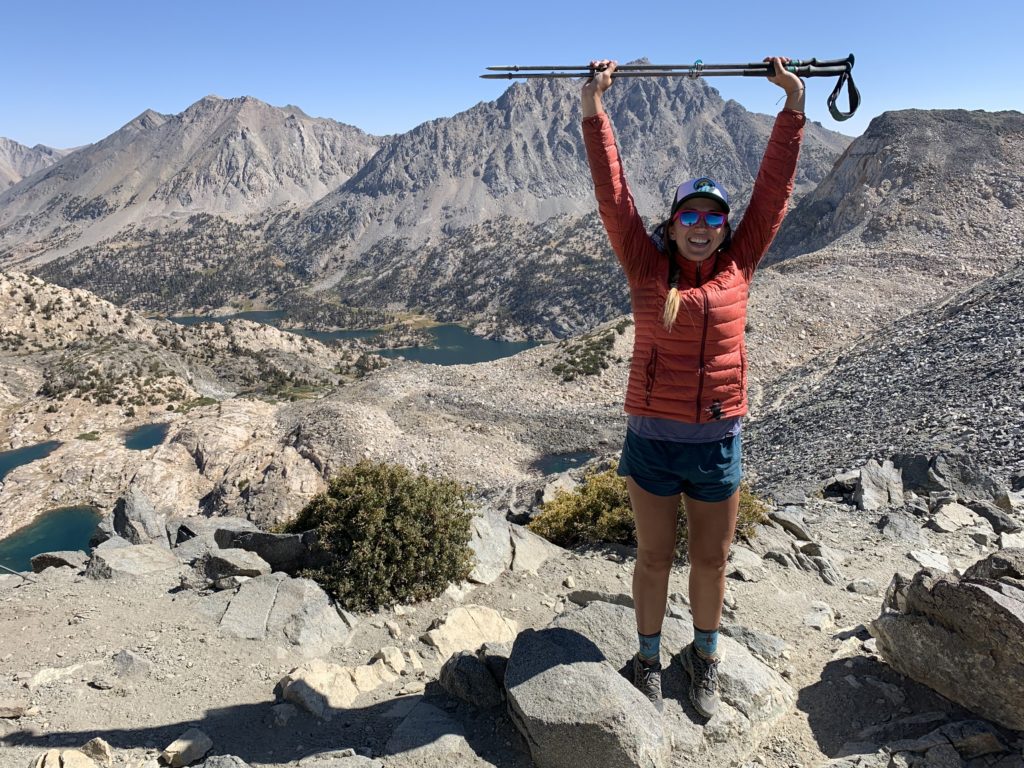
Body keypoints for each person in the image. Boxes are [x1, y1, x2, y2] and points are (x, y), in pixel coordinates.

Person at [581, 57, 805, 717]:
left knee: (711, 563)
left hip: (716, 441)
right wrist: (595, 111)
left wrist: (792, 106)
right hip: (652, 440)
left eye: (714, 218)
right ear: (673, 223)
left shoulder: (741, 262)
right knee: (653, 561)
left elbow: (774, 190)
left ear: (726, 227)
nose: (703, 227)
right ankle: (648, 659)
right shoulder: (645, 265)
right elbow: (612, 195)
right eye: (691, 217)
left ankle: (704, 658)